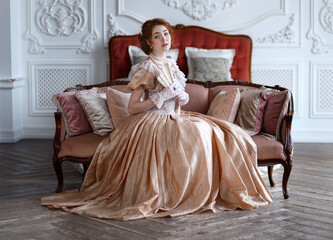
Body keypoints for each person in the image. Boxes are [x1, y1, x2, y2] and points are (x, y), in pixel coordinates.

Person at [41, 18, 272, 221]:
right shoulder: (146, 67)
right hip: (152, 121)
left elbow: (178, 99)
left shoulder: (171, 64)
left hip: (175, 116)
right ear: (149, 42)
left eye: (166, 33)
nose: (164, 38)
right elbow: (132, 107)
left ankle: (198, 191)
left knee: (210, 130)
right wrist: (160, 97)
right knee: (197, 133)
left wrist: (181, 97)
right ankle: (173, 196)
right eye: (157, 35)